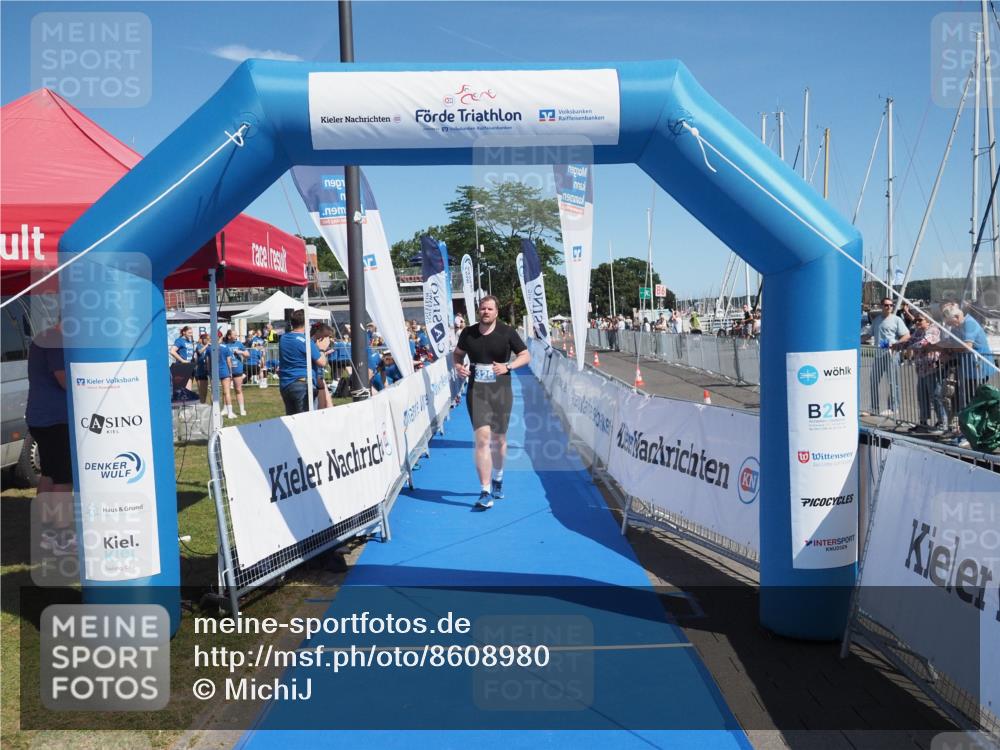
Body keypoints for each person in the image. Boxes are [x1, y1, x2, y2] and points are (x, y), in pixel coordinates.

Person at [453, 295, 530, 510]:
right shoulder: (468, 333)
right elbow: (457, 355)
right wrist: (458, 366)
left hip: (501, 391)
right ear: (478, 311)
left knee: (499, 439)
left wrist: (509, 367)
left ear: (496, 312)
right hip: (476, 391)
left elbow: (525, 355)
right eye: (482, 308)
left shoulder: (507, 332)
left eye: (489, 309)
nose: (485, 312)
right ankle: (485, 490)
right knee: (482, 439)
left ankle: (498, 477)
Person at [26, 322, 75, 554]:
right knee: (63, 479)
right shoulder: (56, 340)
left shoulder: (44, 337)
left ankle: (45, 533)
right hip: (56, 419)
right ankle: (62, 538)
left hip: (41, 417)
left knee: (49, 474)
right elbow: (65, 380)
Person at [939, 302, 998, 424]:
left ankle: (975, 427)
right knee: (966, 398)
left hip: (978, 368)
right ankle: (967, 427)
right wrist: (934, 346)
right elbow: (950, 342)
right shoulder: (957, 326)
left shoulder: (969, 323)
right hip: (967, 368)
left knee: (973, 399)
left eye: (951, 322)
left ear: (957, 317)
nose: (950, 325)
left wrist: (948, 349)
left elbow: (967, 346)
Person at [895, 312, 947, 434]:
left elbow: (922, 344)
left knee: (936, 396)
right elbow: (910, 341)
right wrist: (895, 345)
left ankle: (942, 423)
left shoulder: (933, 330)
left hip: (932, 368)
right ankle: (923, 423)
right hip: (921, 369)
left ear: (927, 320)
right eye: (915, 321)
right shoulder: (918, 331)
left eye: (920, 320)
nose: (917, 322)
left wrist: (908, 346)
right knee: (922, 396)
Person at [865, 297, 910, 417]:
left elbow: (906, 335)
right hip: (878, 354)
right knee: (873, 381)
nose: (889, 307)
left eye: (891, 305)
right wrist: (853, 341)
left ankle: (894, 407)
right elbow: (868, 335)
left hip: (891, 354)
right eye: (886, 305)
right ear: (881, 306)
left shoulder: (897, 319)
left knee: (893, 382)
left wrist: (894, 344)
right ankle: (874, 407)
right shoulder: (876, 320)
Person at [279, 309, 328, 415]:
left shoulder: (283, 338)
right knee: (307, 420)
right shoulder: (306, 341)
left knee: (292, 419)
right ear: (306, 323)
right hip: (302, 384)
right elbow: (322, 362)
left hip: (286, 384)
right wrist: (322, 349)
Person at [311, 323, 335, 409]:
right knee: (320, 407)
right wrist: (322, 349)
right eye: (326, 336)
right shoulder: (312, 344)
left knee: (327, 403)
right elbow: (322, 363)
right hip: (315, 379)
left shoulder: (314, 343)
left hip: (318, 377)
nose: (327, 340)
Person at [225, 330, 248, 416]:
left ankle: (242, 410)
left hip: (237, 369)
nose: (236, 336)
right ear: (229, 336)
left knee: (238, 389)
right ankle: (226, 410)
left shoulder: (239, 344)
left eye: (236, 335)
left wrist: (241, 352)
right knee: (226, 391)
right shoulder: (224, 344)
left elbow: (247, 354)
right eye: (234, 335)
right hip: (227, 370)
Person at [194, 333, 211, 403]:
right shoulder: (199, 346)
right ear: (203, 339)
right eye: (206, 339)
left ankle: (203, 404)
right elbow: (200, 352)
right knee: (201, 391)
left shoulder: (209, 347)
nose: (208, 340)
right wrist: (207, 346)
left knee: (205, 390)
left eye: (208, 339)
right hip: (199, 371)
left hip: (206, 370)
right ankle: (201, 404)